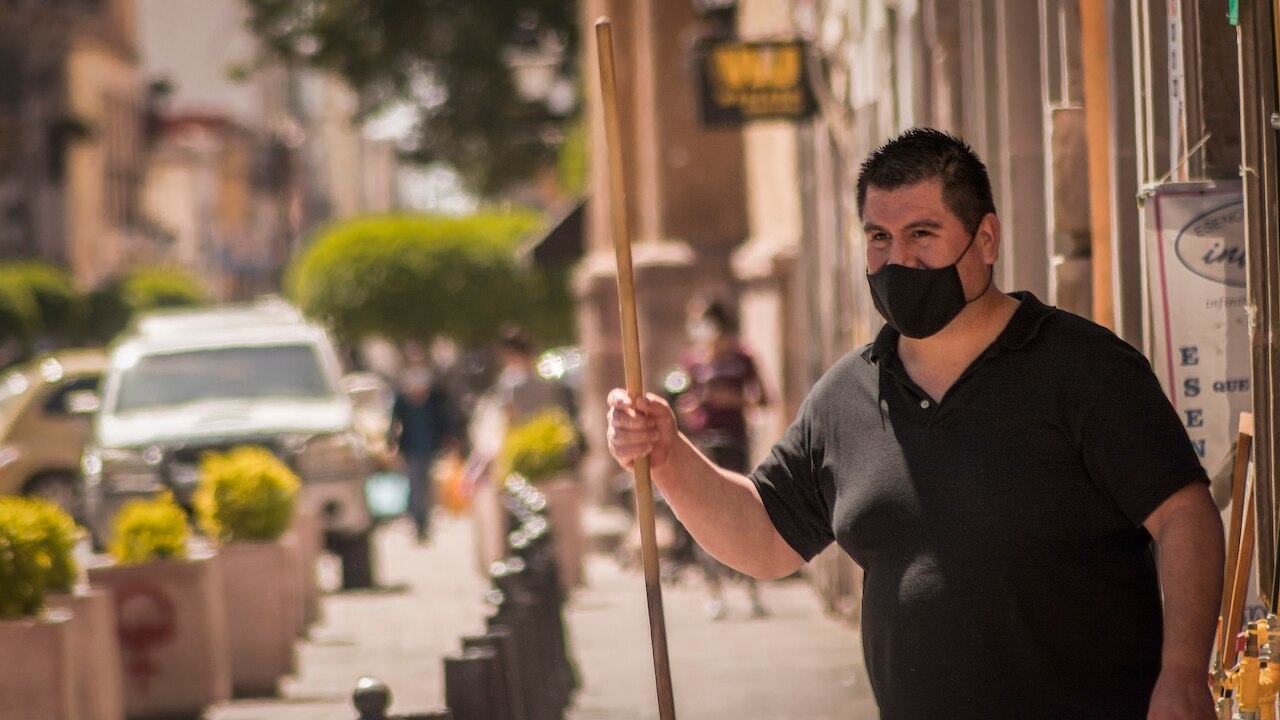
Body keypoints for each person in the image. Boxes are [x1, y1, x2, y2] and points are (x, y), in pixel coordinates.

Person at [606, 128, 1224, 718]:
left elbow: (1183, 514)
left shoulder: (1084, 369)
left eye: (922, 233)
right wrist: (668, 456)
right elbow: (764, 537)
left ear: (986, 239)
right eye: (879, 237)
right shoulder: (845, 397)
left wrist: (1182, 674)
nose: (898, 259)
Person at [678, 297, 769, 619]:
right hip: (705, 445)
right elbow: (685, 401)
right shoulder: (693, 361)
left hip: (736, 443)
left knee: (741, 514)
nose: (699, 328)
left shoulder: (742, 357)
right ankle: (714, 591)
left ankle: (752, 590)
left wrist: (733, 400)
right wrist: (691, 407)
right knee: (705, 516)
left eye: (702, 319)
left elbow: (763, 399)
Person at [389, 361, 462, 543]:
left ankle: (424, 521)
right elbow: (394, 424)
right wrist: (391, 443)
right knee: (415, 485)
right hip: (411, 450)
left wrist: (449, 440)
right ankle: (418, 521)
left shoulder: (434, 401)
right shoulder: (403, 402)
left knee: (427, 486)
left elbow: (445, 420)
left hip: (430, 448)